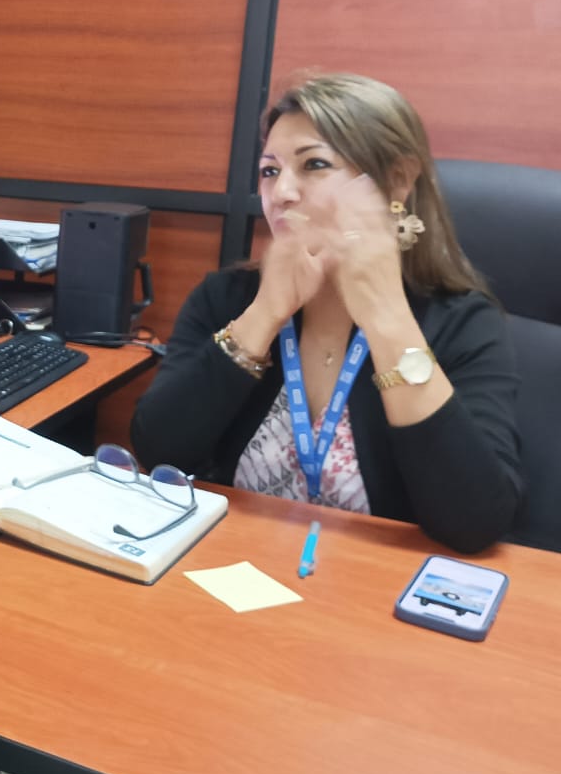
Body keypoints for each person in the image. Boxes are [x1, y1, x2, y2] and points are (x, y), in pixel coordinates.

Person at [131, 72, 521, 553]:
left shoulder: (463, 322)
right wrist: (264, 314)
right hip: (235, 565)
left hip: (376, 584)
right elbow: (158, 452)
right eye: (269, 171)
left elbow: (475, 521)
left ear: (397, 180)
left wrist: (387, 319)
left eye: (314, 164)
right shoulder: (226, 298)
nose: (281, 192)